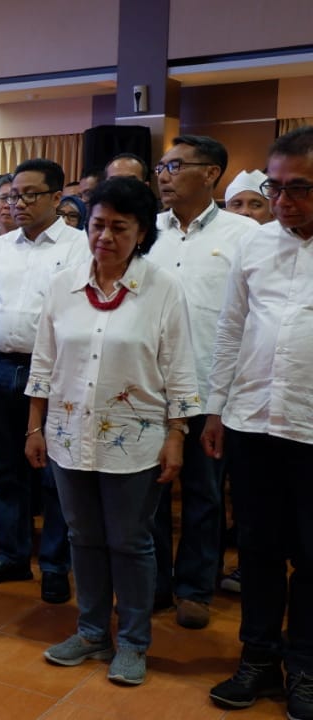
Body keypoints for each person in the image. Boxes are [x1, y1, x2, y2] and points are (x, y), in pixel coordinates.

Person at [28, 176, 200, 687]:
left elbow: (179, 368)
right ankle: (91, 632)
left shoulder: (163, 289)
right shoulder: (63, 285)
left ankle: (133, 641)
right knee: (82, 537)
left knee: (130, 541)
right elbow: (44, 362)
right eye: (97, 224)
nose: (104, 236)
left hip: (136, 439)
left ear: (141, 232)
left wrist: (177, 434)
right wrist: (34, 427)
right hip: (67, 434)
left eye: (119, 228)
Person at [203, 126, 313, 719]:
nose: (283, 201)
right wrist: (216, 408)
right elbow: (230, 330)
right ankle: (259, 659)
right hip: (252, 421)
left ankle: (307, 666)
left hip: (310, 428)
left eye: (300, 188)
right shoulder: (255, 244)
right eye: (276, 187)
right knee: (258, 548)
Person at [0, 158, 88, 603]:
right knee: (4, 470)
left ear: (56, 197)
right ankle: (12, 556)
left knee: (53, 474)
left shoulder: (79, 246)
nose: (18, 204)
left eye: (30, 194)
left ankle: (54, 564)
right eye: (13, 195)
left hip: (54, 371)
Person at [146, 135, 258, 629]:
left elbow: (248, 316)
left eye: (175, 166)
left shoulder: (244, 234)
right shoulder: (149, 231)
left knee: (204, 493)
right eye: (161, 167)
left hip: (210, 388)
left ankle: (195, 588)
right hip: (150, 387)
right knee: (149, 493)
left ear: (211, 173)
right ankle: (153, 584)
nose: (163, 175)